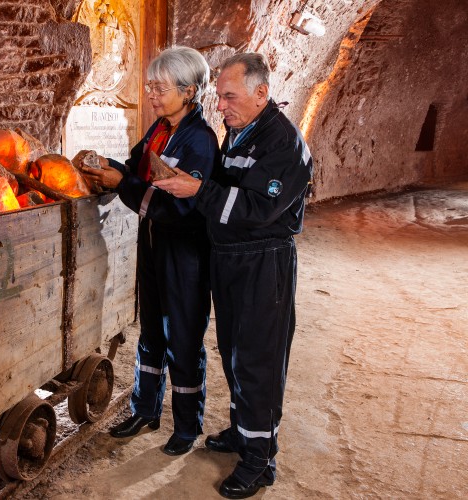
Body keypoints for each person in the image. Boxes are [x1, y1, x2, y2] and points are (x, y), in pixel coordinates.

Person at [154, 52, 313, 498]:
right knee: (235, 353)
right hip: (231, 259)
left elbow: (258, 209)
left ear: (261, 93)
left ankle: (259, 461)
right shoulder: (242, 131)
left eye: (229, 97)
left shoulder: (282, 143)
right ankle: (245, 432)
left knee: (259, 360)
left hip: (263, 263)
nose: (219, 106)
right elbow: (230, 189)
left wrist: (198, 189)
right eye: (219, 97)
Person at [81, 46, 219, 456]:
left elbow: (180, 207)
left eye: (160, 88)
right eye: (150, 87)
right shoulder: (160, 129)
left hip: (184, 252)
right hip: (155, 246)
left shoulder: (200, 141)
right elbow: (135, 167)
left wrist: (121, 184)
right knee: (152, 333)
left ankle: (187, 425)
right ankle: (145, 409)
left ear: (188, 91)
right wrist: (105, 165)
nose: (153, 96)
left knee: (184, 338)